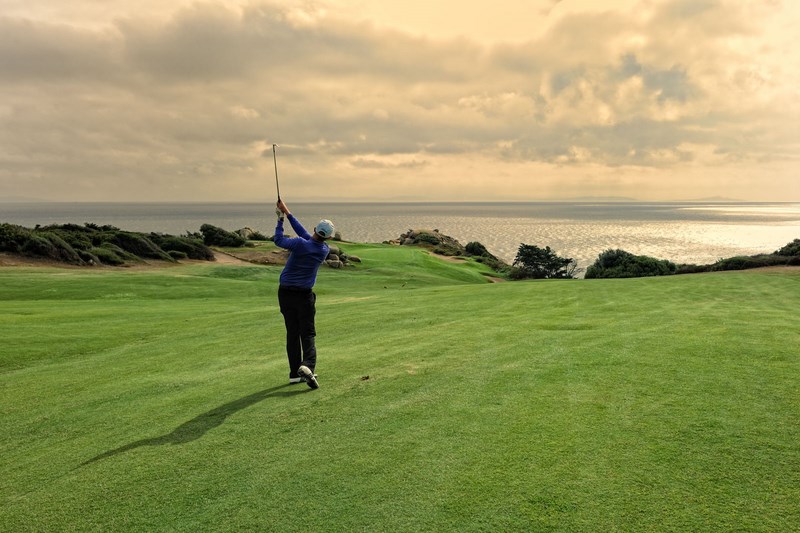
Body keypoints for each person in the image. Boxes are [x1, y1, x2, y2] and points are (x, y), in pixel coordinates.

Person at [273, 199, 335, 389]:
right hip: (304, 297)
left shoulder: (301, 244)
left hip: (285, 294)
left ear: (315, 229)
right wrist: (288, 212)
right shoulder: (324, 250)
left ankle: (294, 373)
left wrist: (280, 220)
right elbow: (305, 235)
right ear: (329, 237)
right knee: (307, 333)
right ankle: (307, 366)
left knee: (292, 333)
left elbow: (279, 240)